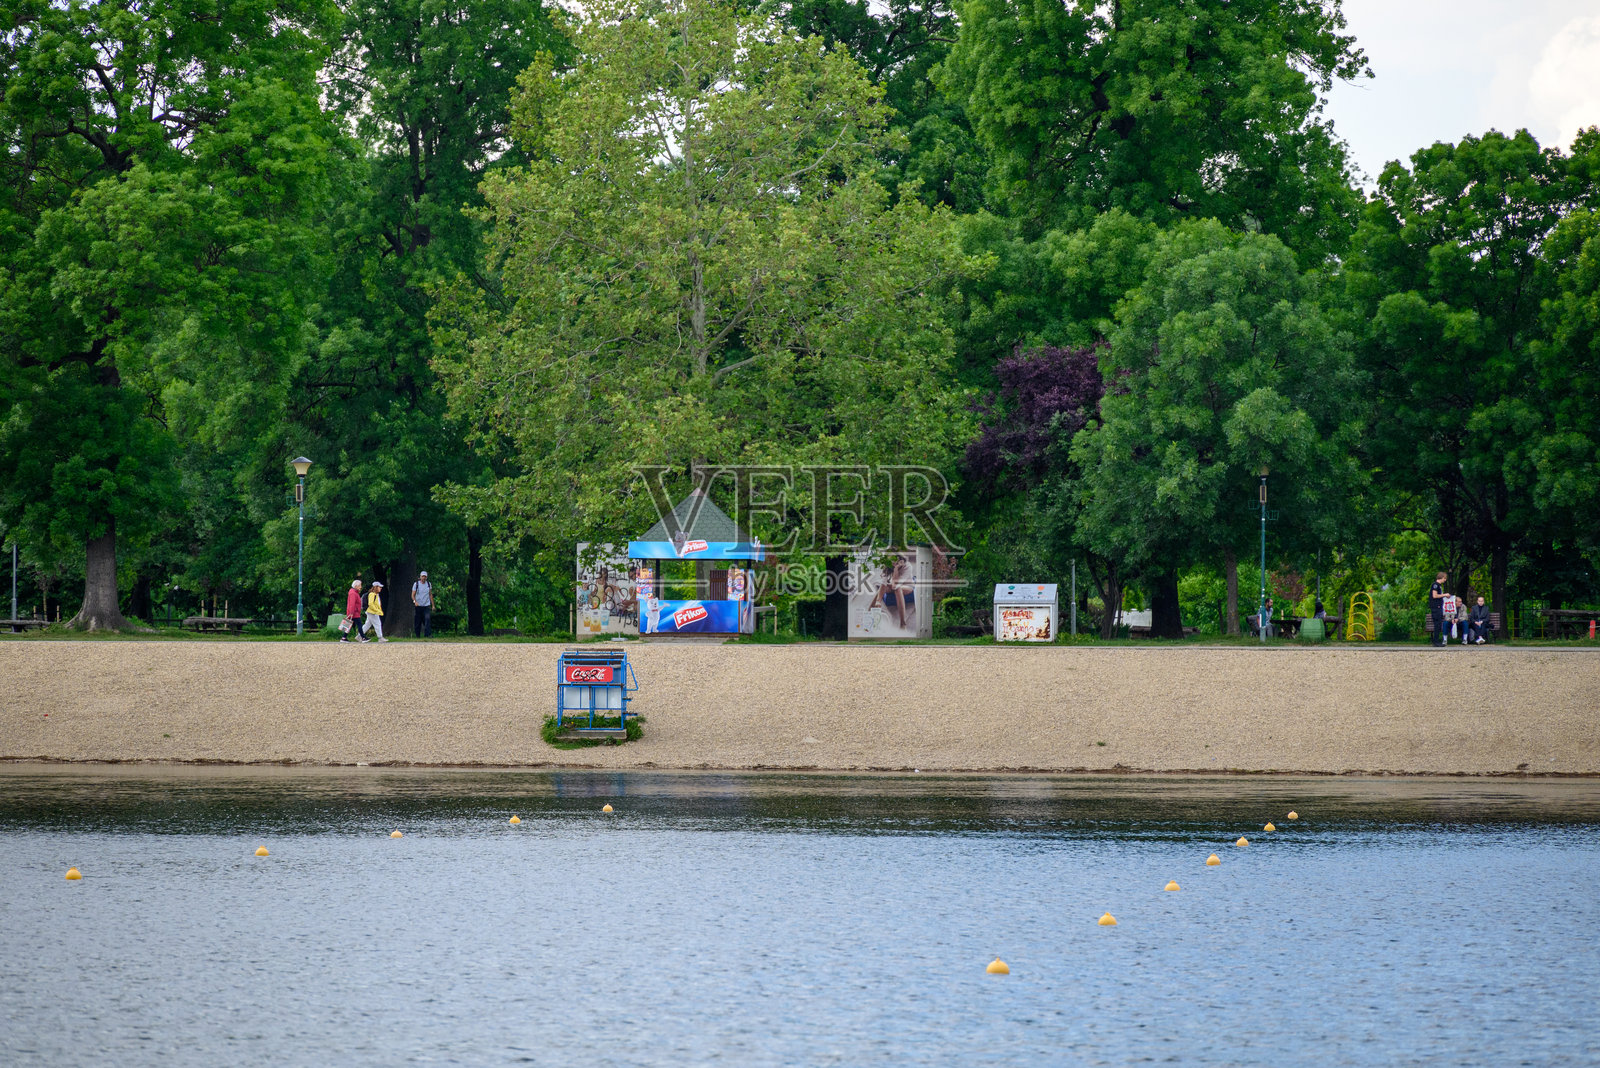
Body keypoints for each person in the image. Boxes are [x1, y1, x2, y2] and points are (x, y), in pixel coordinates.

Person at [340, 579, 369, 643]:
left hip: (353, 612)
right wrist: (351, 613)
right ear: (356, 586)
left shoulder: (354, 592)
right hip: (354, 613)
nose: (361, 587)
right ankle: (363, 637)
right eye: (360, 585)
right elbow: (352, 604)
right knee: (359, 624)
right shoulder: (353, 593)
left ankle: (344, 637)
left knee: (349, 625)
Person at [411, 571, 433, 638]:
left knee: (427, 619)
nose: (424, 578)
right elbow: (412, 595)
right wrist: (415, 602)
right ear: (420, 577)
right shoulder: (416, 584)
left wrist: (433, 605)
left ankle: (428, 634)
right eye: (422, 576)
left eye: (425, 576)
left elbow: (430, 594)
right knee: (418, 621)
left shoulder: (428, 584)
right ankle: (417, 635)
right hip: (418, 605)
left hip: (426, 605)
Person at [1428, 571, 1447, 646]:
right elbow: (1434, 595)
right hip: (1436, 608)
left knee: (1438, 625)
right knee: (1437, 624)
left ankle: (1436, 641)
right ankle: (1436, 641)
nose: (1445, 580)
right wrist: (1444, 595)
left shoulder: (1439, 586)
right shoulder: (1435, 585)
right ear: (1441, 578)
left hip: (1438, 607)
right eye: (1444, 578)